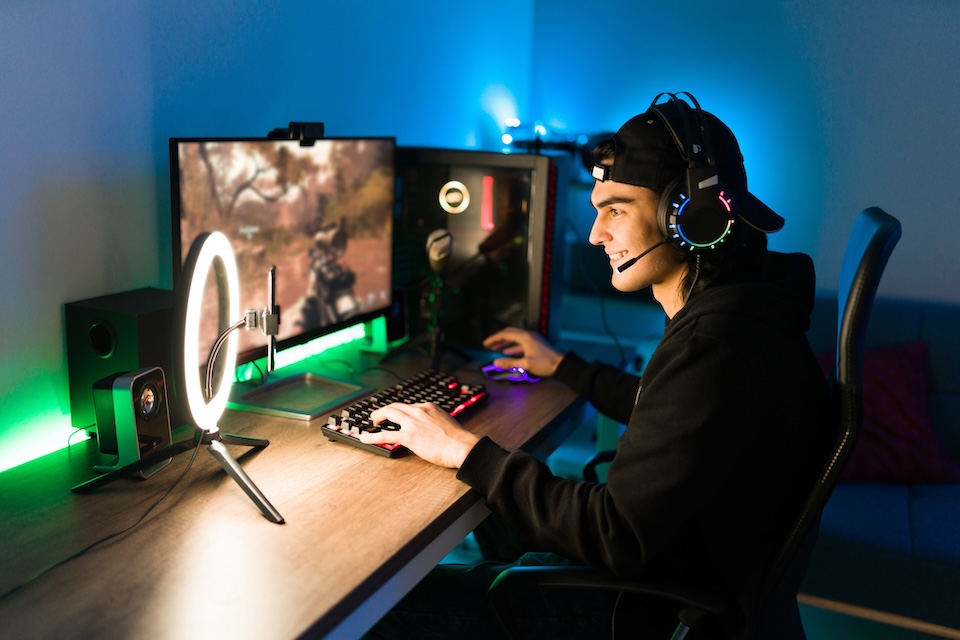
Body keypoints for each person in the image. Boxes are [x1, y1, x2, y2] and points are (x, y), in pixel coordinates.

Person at [359, 92, 833, 639]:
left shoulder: (716, 342)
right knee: (491, 501)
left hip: (642, 604)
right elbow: (671, 411)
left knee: (375, 608)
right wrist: (565, 367)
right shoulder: (742, 311)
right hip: (670, 565)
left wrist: (464, 449)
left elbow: (617, 533)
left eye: (616, 210)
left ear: (690, 217)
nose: (595, 234)